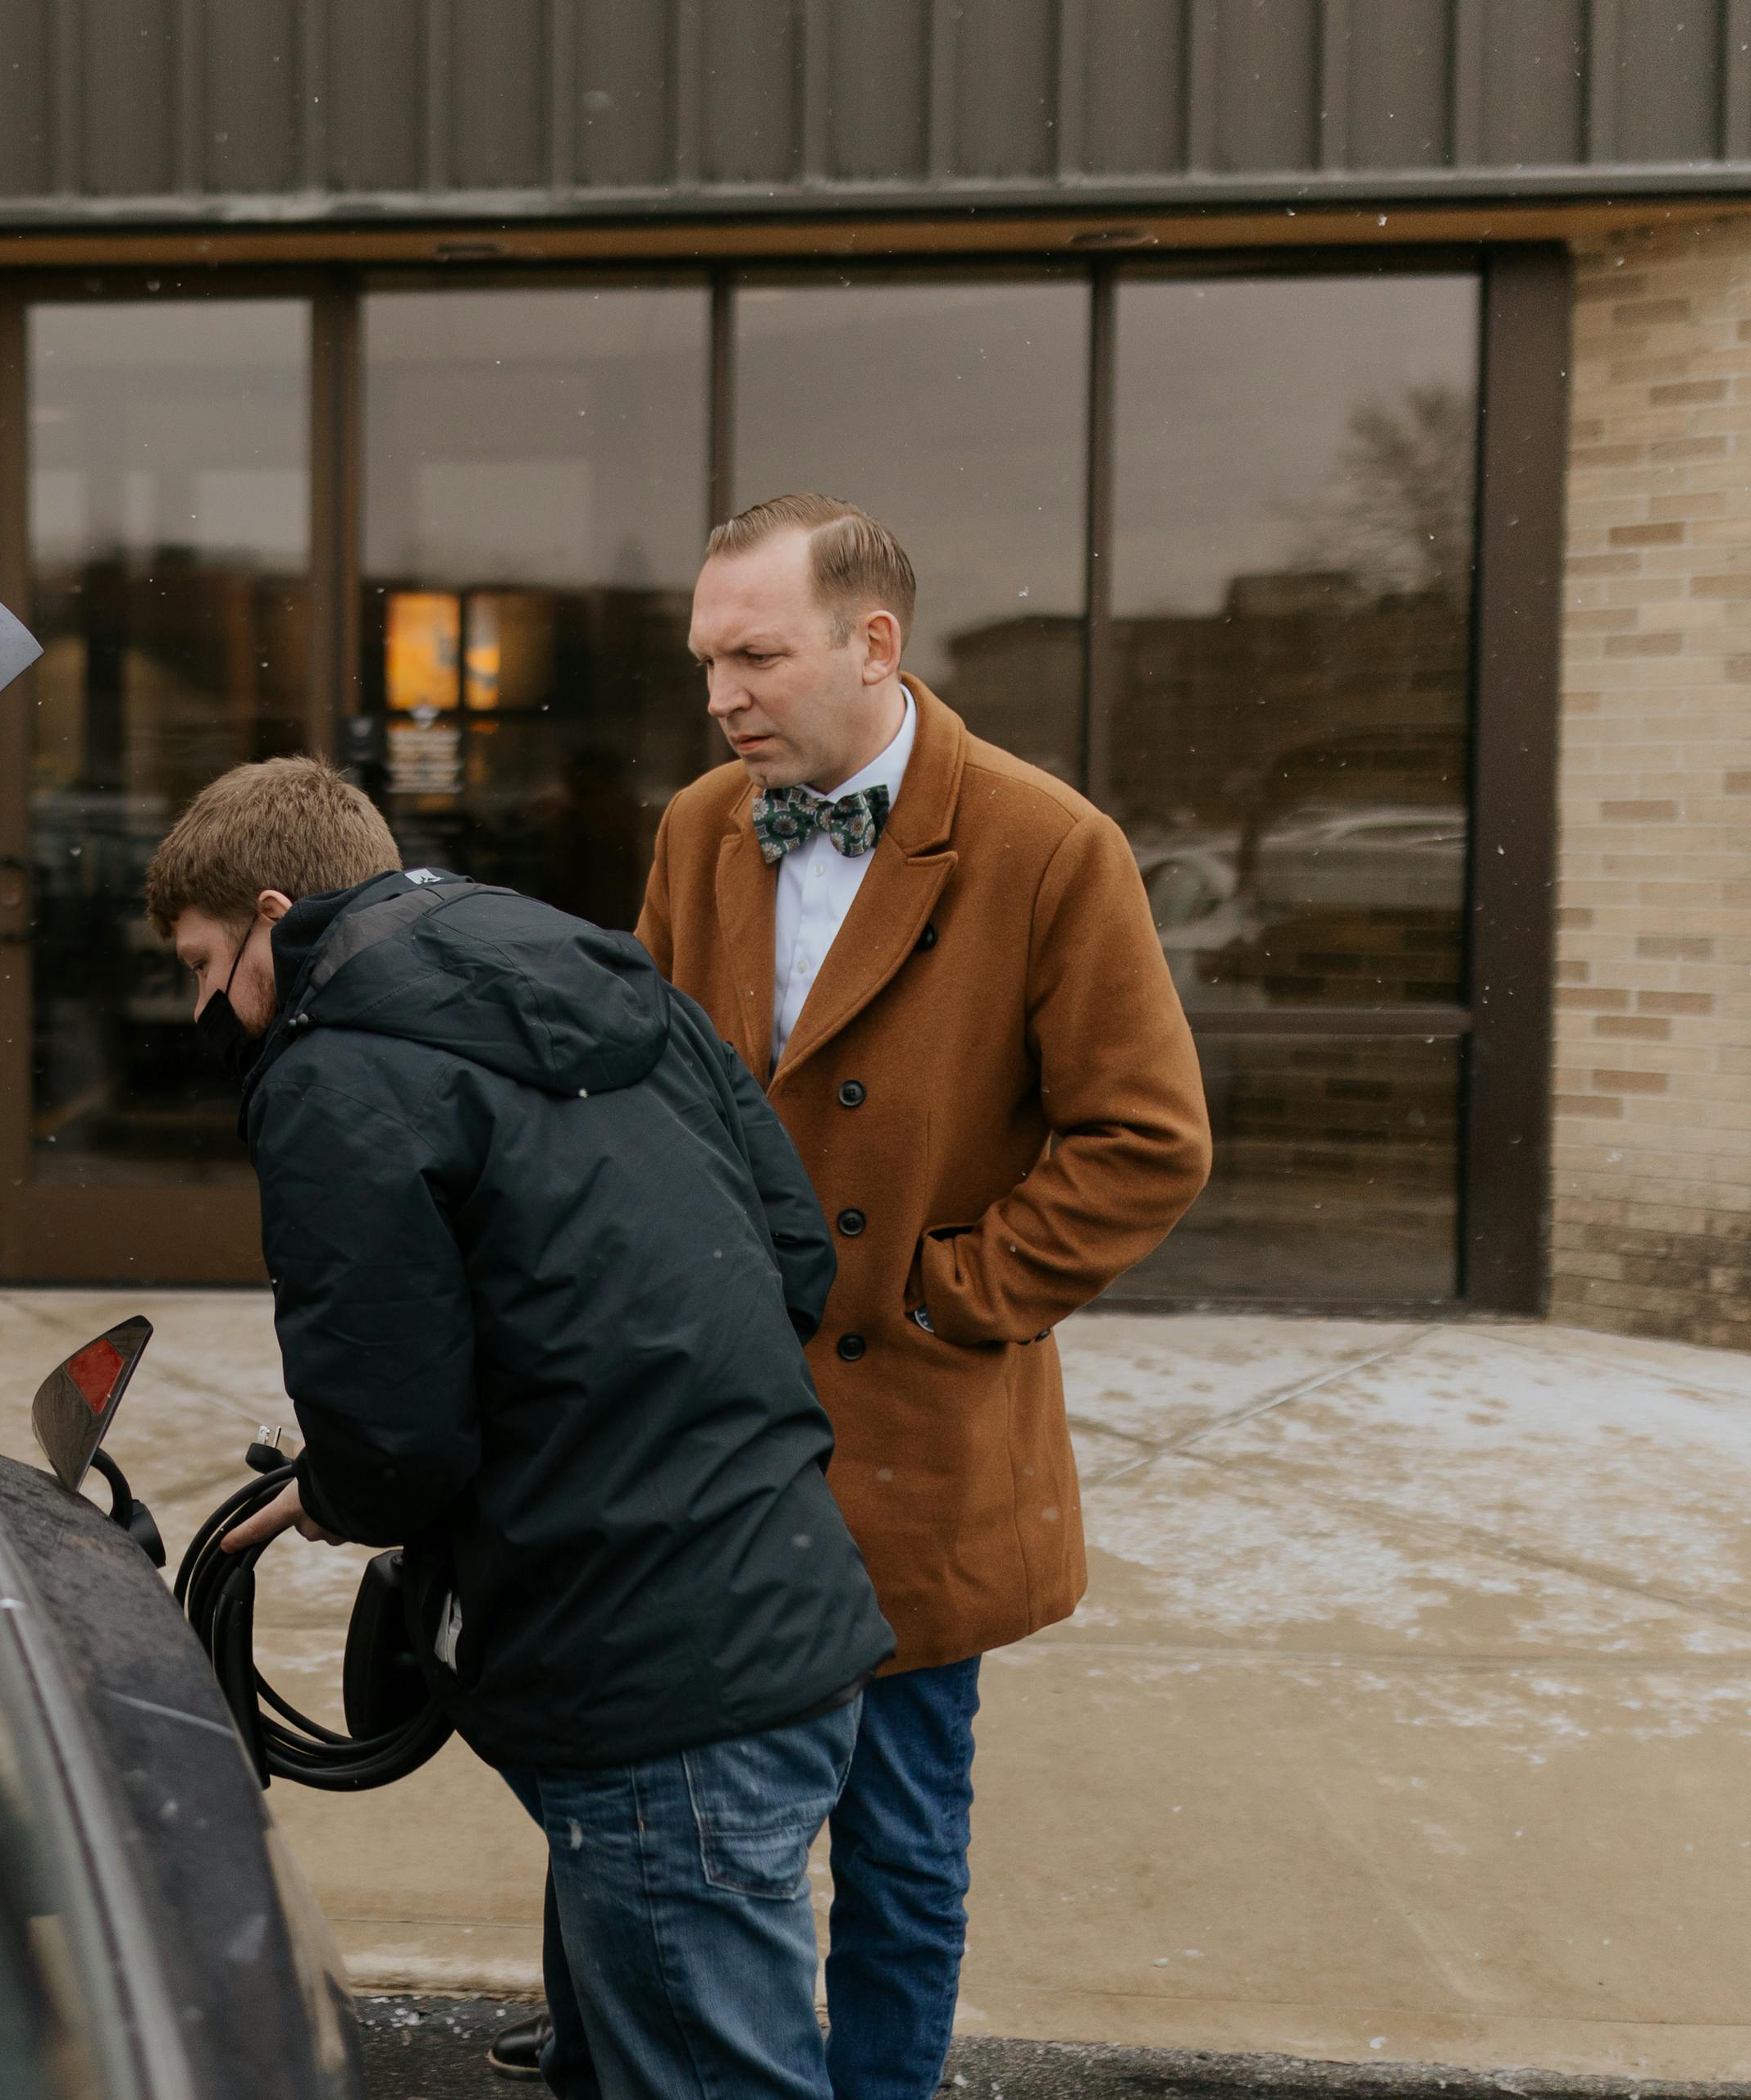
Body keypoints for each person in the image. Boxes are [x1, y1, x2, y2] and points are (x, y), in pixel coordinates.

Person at [498, 494, 1208, 2099]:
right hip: (716, 1431)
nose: (723, 694)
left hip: (917, 1429)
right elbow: (639, 1090)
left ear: (872, 643)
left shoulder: (1047, 842)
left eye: (757, 654)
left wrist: (956, 1291)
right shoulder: (698, 826)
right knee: (684, 1822)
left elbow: (1148, 1137)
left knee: (896, 1845)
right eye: (705, 661)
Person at [155, 756, 899, 2100]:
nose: (201, 1005)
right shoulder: (611, 977)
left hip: (641, 1671)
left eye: (204, 963)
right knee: (645, 2047)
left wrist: (341, 1487)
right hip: (774, 1600)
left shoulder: (334, 1074)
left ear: (272, 912)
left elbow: (394, 1438)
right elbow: (794, 1258)